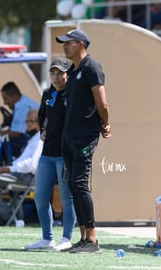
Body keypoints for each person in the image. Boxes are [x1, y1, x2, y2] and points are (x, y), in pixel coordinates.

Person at [56, 28, 111, 254]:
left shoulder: (92, 67)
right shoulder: (72, 70)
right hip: (69, 136)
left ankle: (93, 239)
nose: (64, 46)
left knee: (79, 184)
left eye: (68, 43)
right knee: (71, 185)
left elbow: (102, 103)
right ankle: (83, 237)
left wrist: (105, 124)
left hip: (85, 136)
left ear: (80, 44)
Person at [24, 58, 76, 251]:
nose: (55, 77)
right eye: (52, 73)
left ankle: (67, 238)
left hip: (65, 154)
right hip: (47, 154)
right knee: (39, 196)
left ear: (67, 74)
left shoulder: (73, 94)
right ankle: (47, 238)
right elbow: (42, 116)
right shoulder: (47, 94)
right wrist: (43, 130)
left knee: (66, 197)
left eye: (59, 73)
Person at [0, 109, 42, 225]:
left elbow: (31, 165)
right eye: (27, 121)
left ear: (39, 123)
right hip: (19, 173)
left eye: (31, 121)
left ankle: (6, 215)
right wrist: (6, 168)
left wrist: (8, 169)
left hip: (27, 177)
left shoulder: (40, 140)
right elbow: (22, 162)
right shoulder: (32, 139)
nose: (28, 124)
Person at [0, 81, 39, 158]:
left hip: (36, 141)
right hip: (33, 139)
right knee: (3, 139)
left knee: (4, 142)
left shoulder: (22, 107)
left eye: (6, 99)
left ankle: (0, 167)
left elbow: (16, 133)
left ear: (14, 96)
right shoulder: (22, 103)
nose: (4, 102)